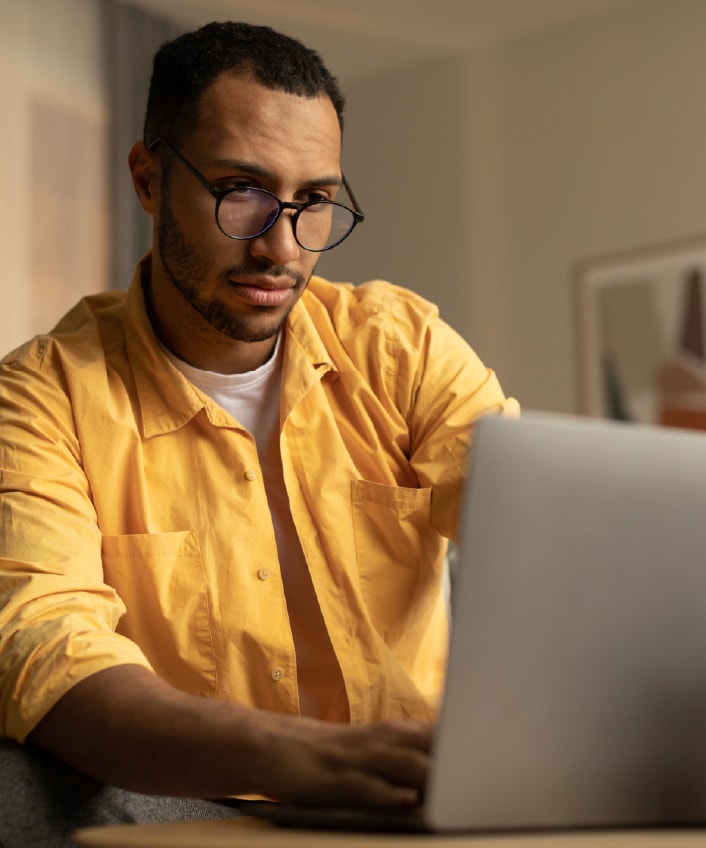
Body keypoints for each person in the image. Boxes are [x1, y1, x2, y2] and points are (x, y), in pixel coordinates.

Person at [0, 19, 518, 846]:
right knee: (13, 787)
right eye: (241, 190)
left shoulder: (402, 346)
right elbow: (46, 649)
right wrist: (294, 757)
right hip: (195, 799)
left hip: (402, 792)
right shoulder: (41, 394)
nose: (282, 247)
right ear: (148, 177)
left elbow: (535, 541)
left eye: (314, 201)